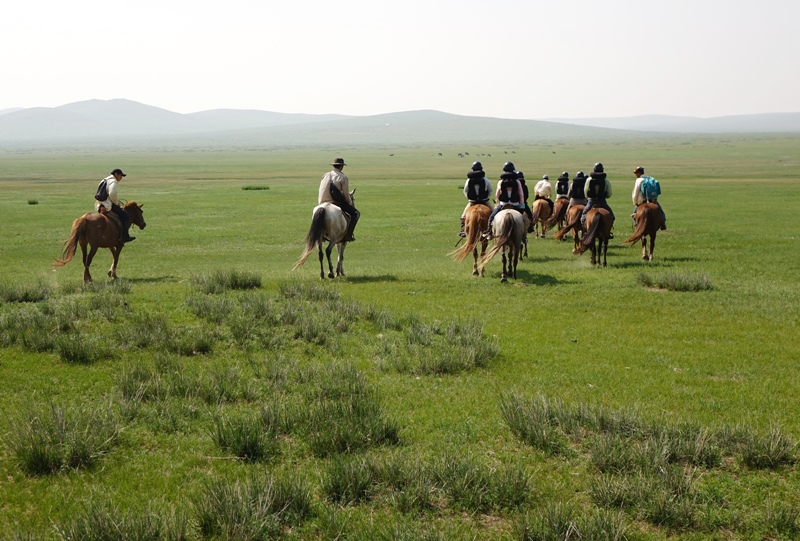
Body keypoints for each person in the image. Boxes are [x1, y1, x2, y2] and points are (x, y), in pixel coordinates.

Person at [318, 157, 359, 241]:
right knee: (356, 213)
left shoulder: (325, 175)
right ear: (341, 167)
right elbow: (346, 194)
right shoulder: (342, 177)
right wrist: (349, 202)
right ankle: (348, 235)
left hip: (321, 202)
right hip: (335, 203)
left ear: (334, 166)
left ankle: (320, 234)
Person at [484, 162, 525, 239]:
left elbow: (497, 194)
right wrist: (522, 205)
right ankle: (523, 237)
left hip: (503, 204)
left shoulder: (501, 181)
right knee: (524, 220)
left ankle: (489, 232)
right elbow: (521, 194)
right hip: (515, 204)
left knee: (491, 218)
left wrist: (498, 201)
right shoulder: (517, 181)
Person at [94, 168, 135, 242]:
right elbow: (112, 193)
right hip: (108, 204)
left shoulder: (104, 180)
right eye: (120, 176)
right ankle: (125, 236)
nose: (121, 178)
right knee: (125, 216)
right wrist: (116, 203)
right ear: (116, 174)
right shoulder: (113, 181)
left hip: (100, 204)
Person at [459, 161, 493, 237]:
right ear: (481, 169)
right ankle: (492, 230)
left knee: (463, 216)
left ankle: (463, 230)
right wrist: (486, 197)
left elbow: (465, 191)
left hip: (472, 201)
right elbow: (490, 191)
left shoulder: (468, 180)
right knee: (494, 214)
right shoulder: (485, 179)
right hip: (485, 201)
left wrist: (469, 198)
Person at [581, 162, 615, 237]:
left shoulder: (589, 179)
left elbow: (586, 192)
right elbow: (609, 193)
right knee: (612, 216)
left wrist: (588, 198)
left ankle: (585, 231)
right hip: (602, 201)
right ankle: (608, 233)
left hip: (591, 201)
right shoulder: (606, 180)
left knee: (583, 216)